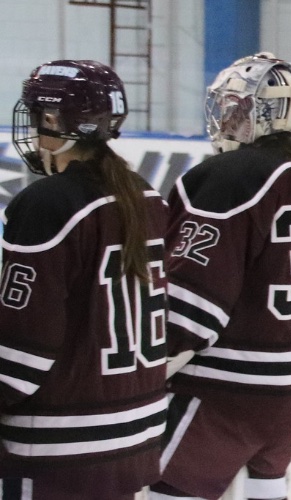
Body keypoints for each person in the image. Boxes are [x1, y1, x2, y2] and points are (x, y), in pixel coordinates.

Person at [154, 53, 291, 500]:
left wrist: (143, 372)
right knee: (266, 487)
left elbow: (191, 306)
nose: (225, 118)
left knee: (170, 489)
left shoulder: (227, 177)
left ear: (261, 113)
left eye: (235, 107)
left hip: (230, 385)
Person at [0, 60, 169, 500]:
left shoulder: (47, 203)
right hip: (137, 434)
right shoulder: (145, 194)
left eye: (40, 117)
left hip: (62, 444)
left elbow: (22, 346)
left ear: (55, 121)